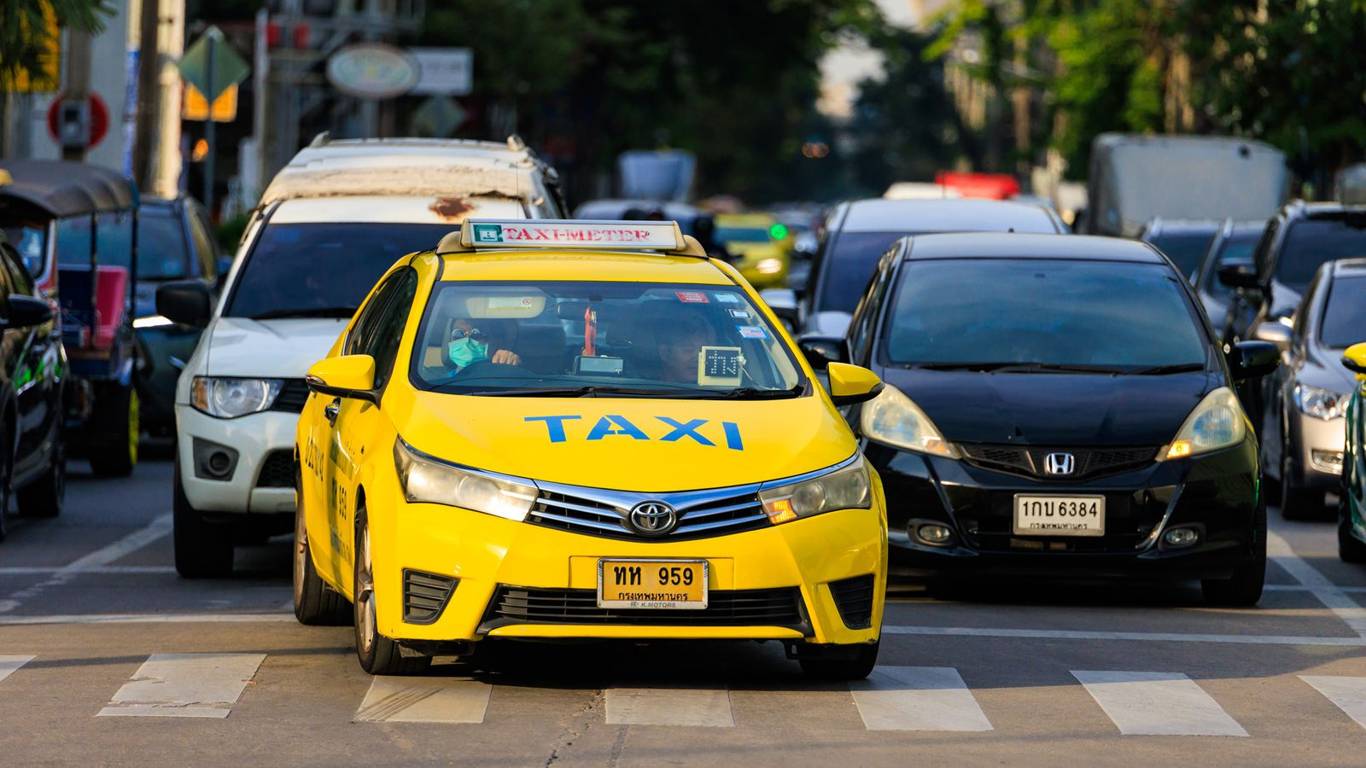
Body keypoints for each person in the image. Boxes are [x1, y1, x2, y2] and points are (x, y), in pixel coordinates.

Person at [656, 312, 716, 384]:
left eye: (703, 350)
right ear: (665, 353)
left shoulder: (720, 389)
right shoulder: (647, 386)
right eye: (688, 349)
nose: (698, 358)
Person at [447, 317, 521, 371]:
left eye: (476, 334)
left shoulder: (503, 372)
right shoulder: (443, 382)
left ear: (493, 341)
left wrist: (511, 366)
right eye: (458, 334)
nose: (466, 341)